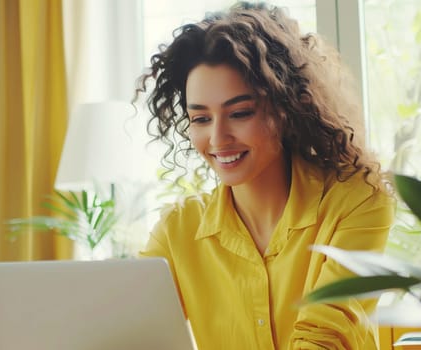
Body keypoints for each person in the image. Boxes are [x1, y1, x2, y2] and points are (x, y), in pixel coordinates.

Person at [135, 2, 395, 350]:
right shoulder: (177, 230)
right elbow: (130, 327)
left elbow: (326, 334)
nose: (217, 139)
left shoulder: (357, 201)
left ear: (286, 109)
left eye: (239, 113)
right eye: (200, 119)